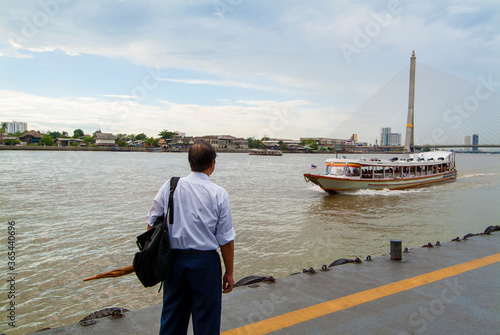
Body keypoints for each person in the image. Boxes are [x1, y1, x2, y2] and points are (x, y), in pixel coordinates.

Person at [146, 142, 236, 335]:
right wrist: (229, 272)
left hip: (174, 263)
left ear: (190, 162)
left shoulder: (170, 186)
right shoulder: (218, 193)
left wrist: (154, 257)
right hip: (205, 264)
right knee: (206, 323)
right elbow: (226, 239)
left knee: (172, 321)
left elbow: (151, 223)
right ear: (212, 163)